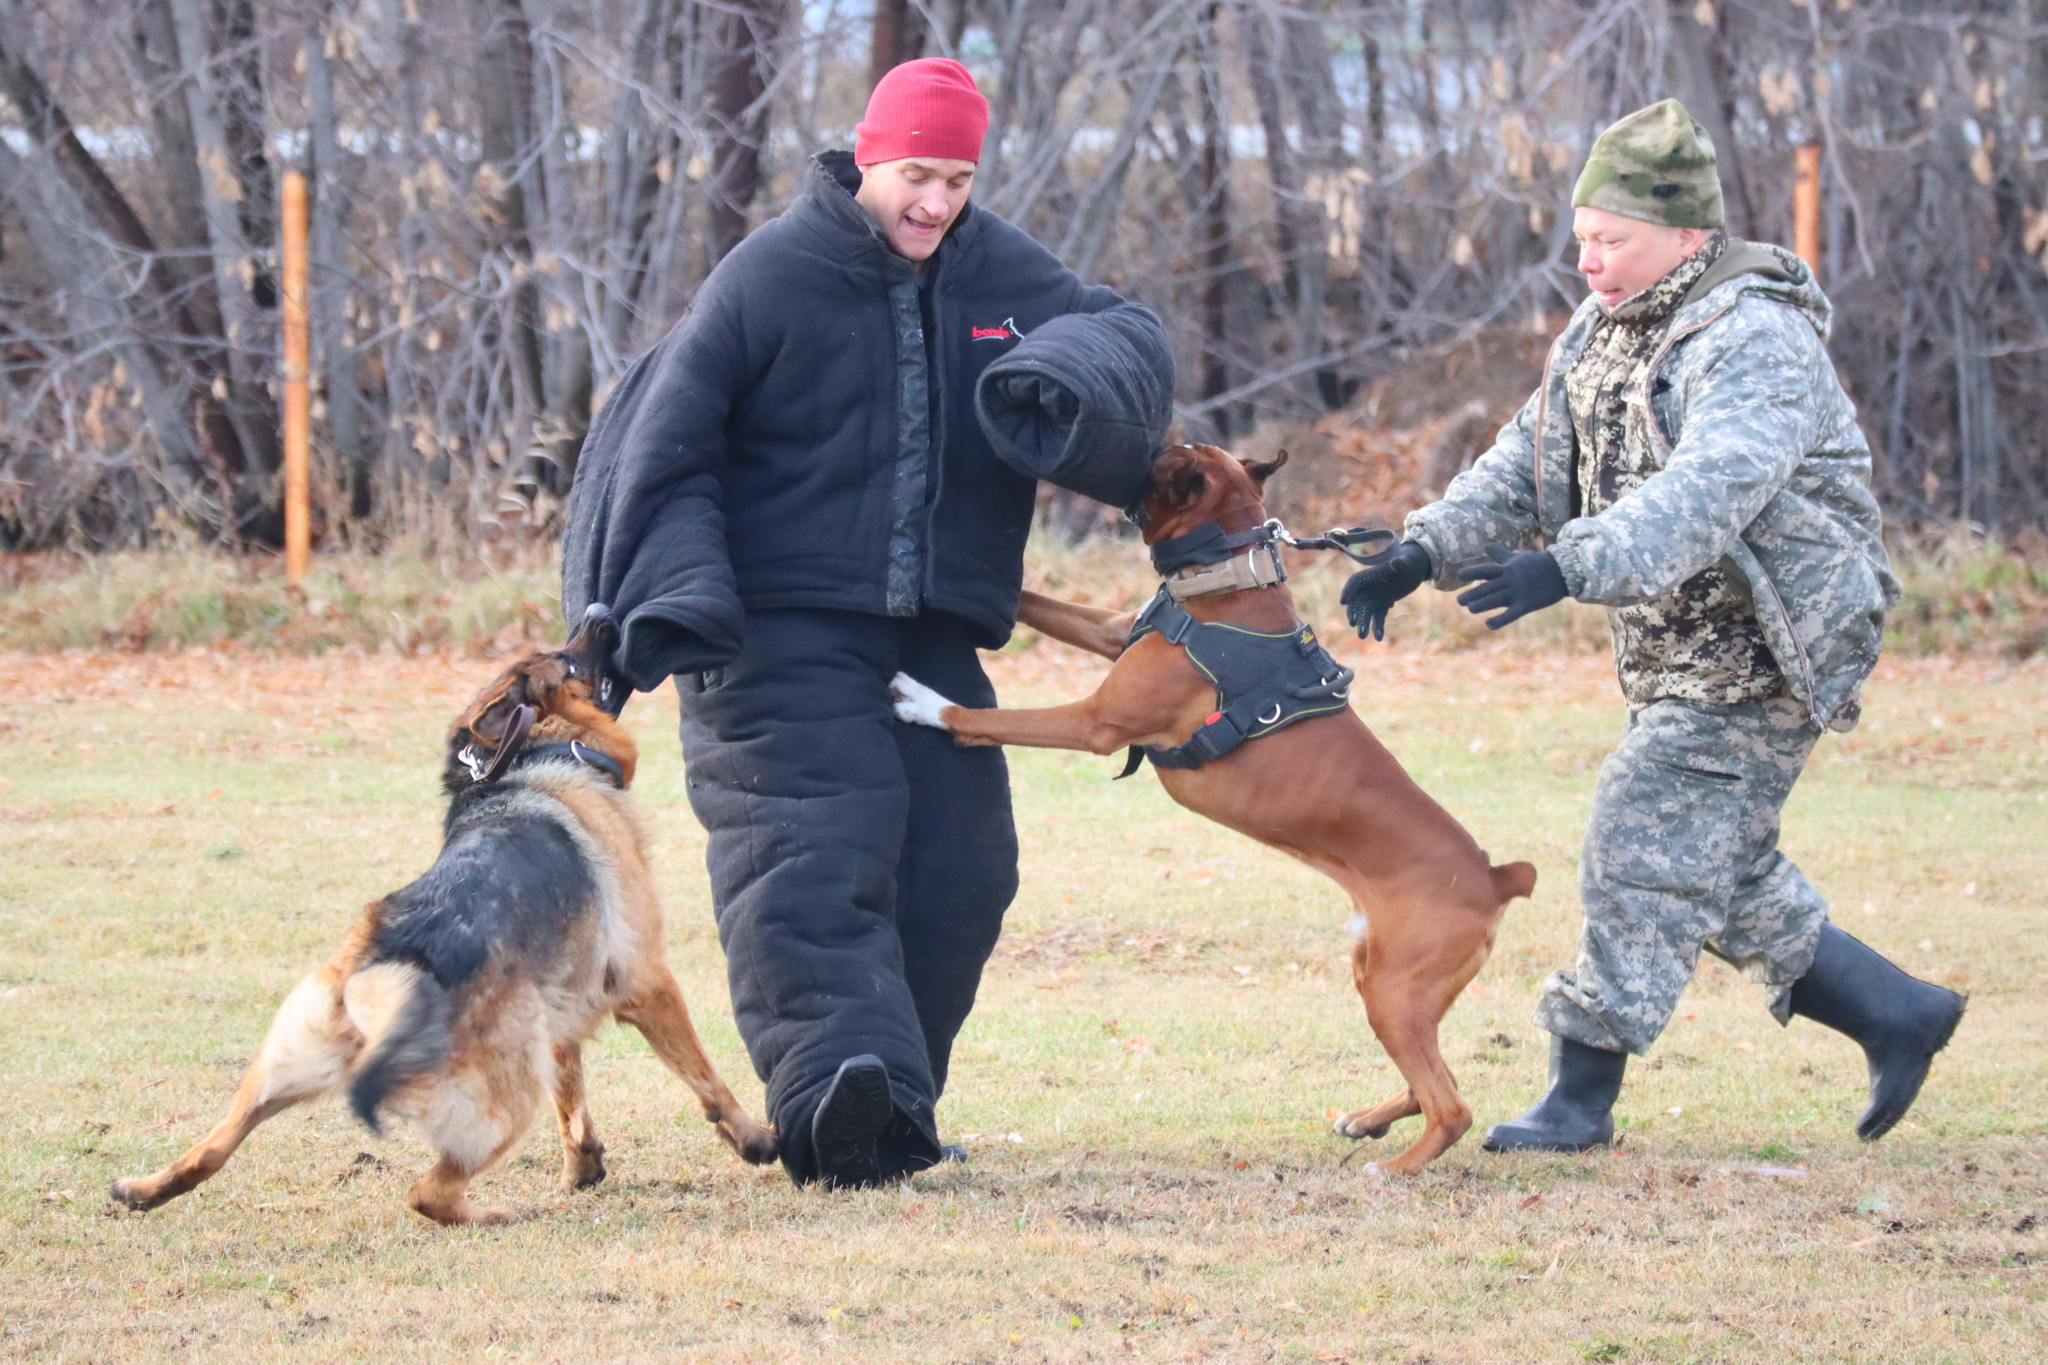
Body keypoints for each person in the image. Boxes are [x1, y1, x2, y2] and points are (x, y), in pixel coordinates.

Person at [561, 59, 1172, 1188]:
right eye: (913, 176)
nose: (932, 203)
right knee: (809, 860)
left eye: (954, 179)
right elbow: (665, 444)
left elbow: (1121, 330)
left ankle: (891, 1101)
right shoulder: (771, 275)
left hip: (932, 636)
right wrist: (676, 595)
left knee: (963, 870)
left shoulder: (994, 268)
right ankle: (831, 1096)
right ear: (866, 161)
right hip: (768, 632)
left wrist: (1074, 372)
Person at [1338, 99, 1964, 1153]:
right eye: (1579, 237)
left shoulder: (1754, 339)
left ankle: (1578, 1097)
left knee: (1641, 829)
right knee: (1713, 866)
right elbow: (1525, 465)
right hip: (1677, 643)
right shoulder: (1602, 330)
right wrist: (1420, 549)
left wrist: (1567, 566)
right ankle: (1897, 1013)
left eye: (1610, 239)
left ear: (1686, 235)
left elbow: (1713, 486)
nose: (1586, 260)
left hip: (1772, 642)